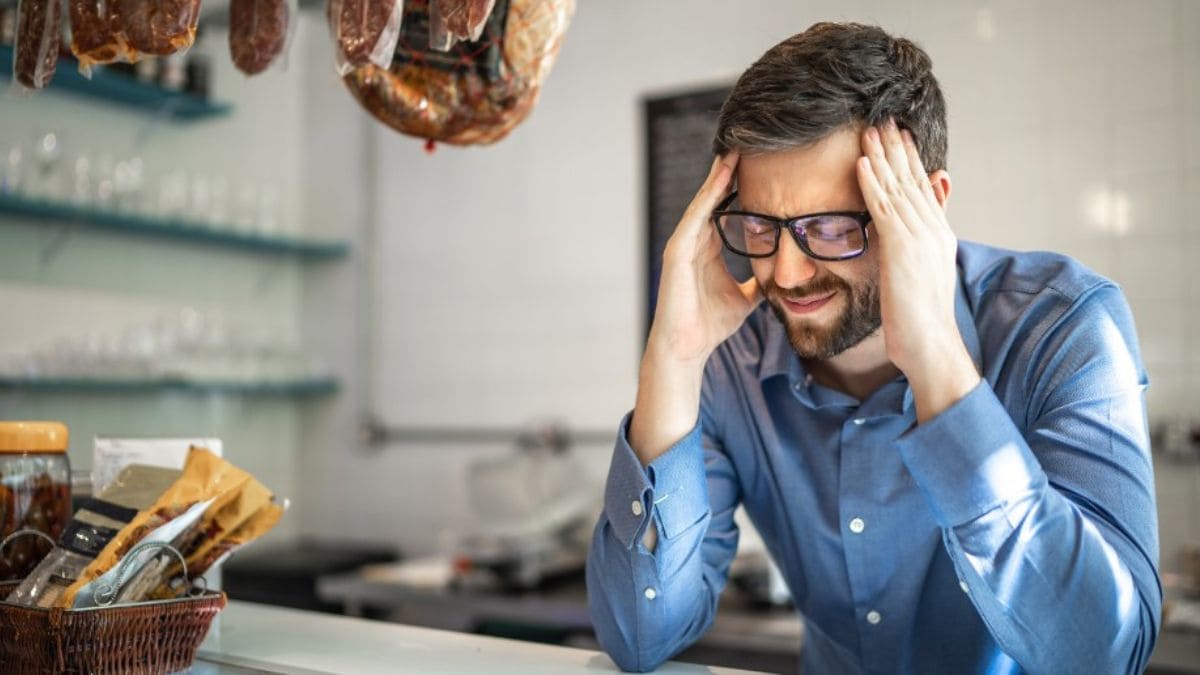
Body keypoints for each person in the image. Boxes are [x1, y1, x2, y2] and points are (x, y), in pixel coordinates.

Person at [585, 21, 1161, 675]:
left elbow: (1104, 656)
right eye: (760, 226)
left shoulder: (1065, 325)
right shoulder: (728, 354)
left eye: (830, 227)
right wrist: (673, 358)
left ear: (927, 206)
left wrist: (937, 357)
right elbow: (639, 637)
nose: (788, 272)